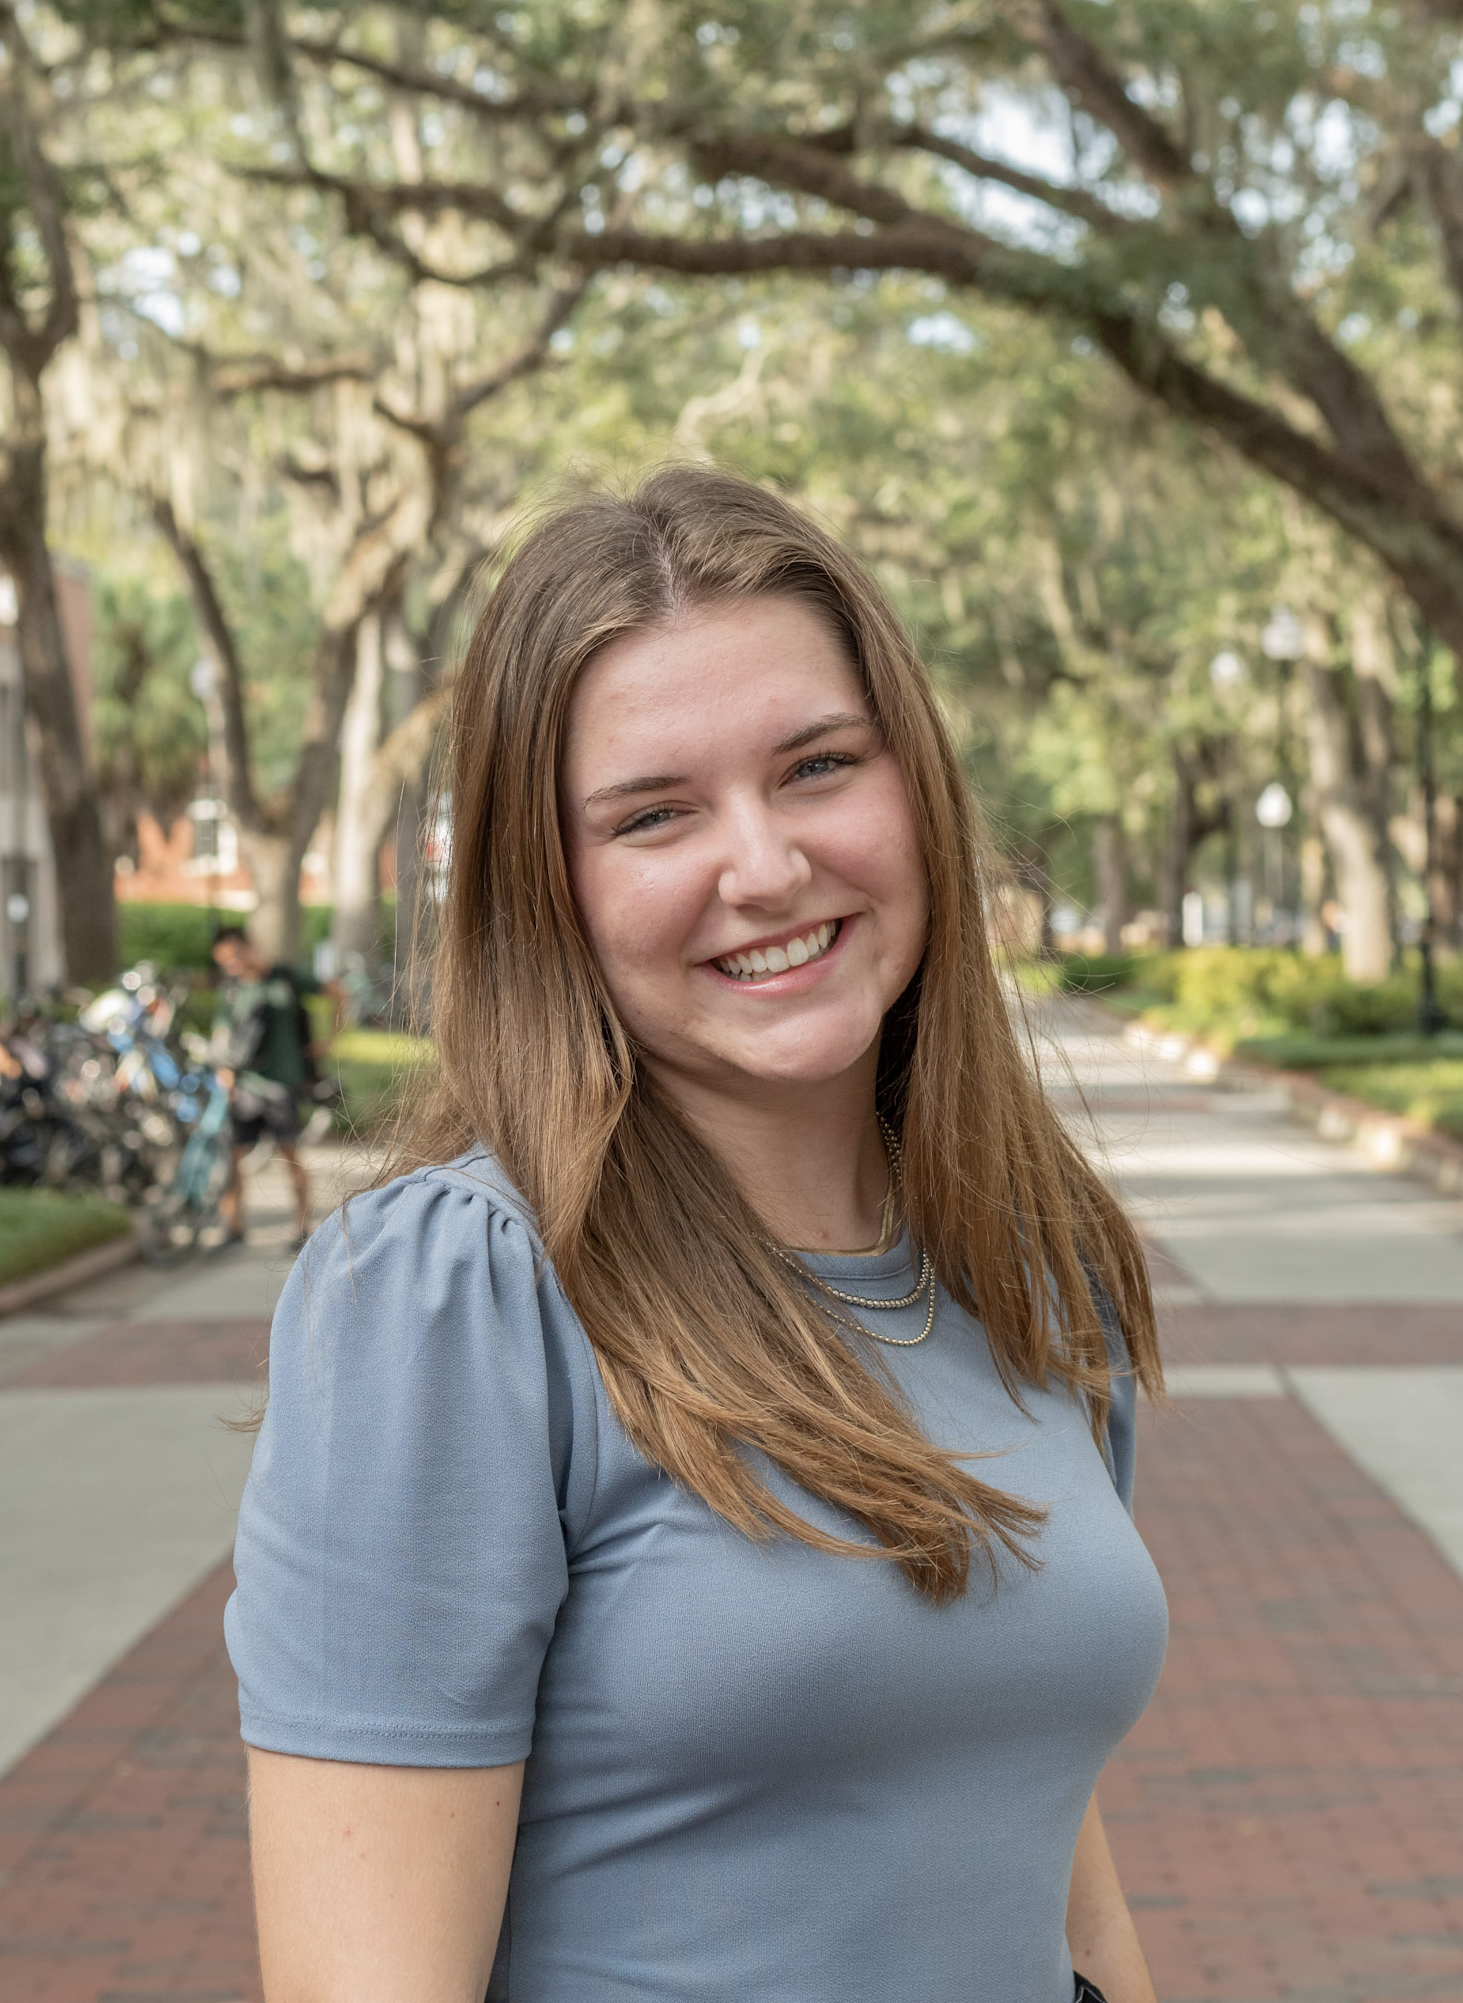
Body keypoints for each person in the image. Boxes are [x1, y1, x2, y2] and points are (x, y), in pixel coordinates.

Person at [226, 468, 1168, 2003]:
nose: (766, 866)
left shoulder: (1022, 1263)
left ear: (915, 784)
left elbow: (1052, 1870)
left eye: (816, 766)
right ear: (554, 889)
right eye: (655, 814)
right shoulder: (460, 1296)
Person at [209, 926, 341, 1249]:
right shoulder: (231, 990)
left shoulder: (284, 978)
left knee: (290, 1155)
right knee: (233, 1155)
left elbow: (338, 993)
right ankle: (234, 1226)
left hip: (282, 1086)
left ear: (250, 947)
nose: (233, 966)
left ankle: (302, 1227)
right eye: (225, 962)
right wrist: (224, 1075)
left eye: (236, 957)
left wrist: (330, 1039)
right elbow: (222, 1037)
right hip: (246, 1086)